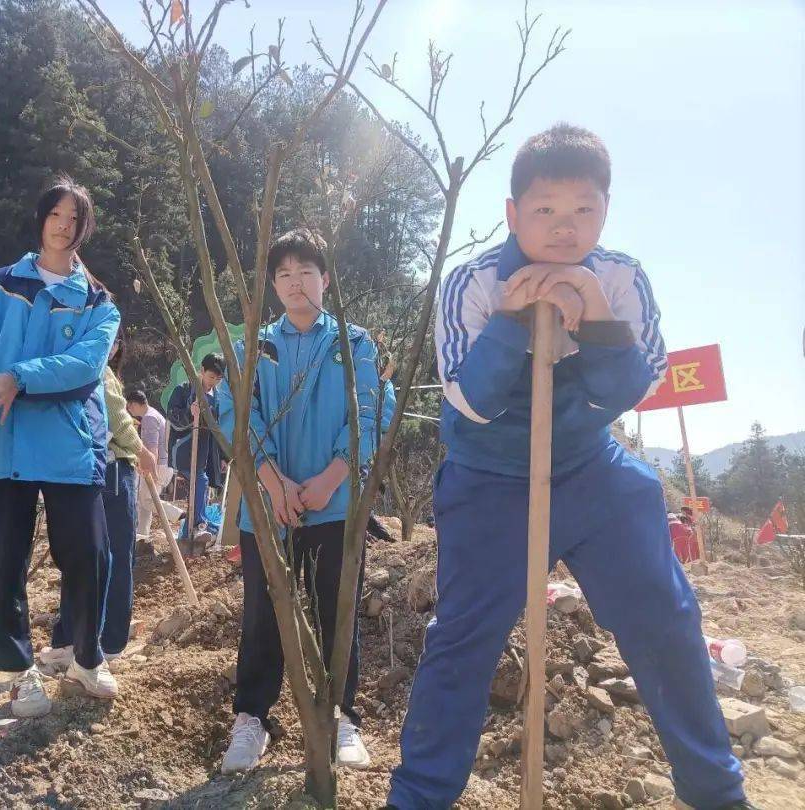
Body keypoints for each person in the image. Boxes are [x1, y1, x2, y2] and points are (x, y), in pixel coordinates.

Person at [387, 124, 751, 809]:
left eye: (584, 208)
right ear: (512, 212)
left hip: (590, 466)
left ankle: (716, 792)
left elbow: (632, 388)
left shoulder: (620, 277)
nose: (564, 227)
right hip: (490, 479)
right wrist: (511, 320)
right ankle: (419, 798)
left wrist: (598, 319)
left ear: (606, 210)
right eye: (545, 209)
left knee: (665, 618)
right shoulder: (472, 283)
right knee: (463, 639)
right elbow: (473, 400)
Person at [217, 228, 394, 774]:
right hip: (267, 509)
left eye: (307, 272)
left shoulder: (354, 344)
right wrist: (274, 484)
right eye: (285, 274)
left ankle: (341, 717)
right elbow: (236, 414)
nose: (296, 283)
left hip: (334, 505)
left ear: (326, 279)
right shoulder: (254, 346)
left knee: (336, 613)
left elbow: (371, 412)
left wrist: (331, 478)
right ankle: (252, 718)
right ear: (273, 285)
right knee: (262, 614)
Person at [0, 177, 120, 718]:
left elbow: (85, 365)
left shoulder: (97, 301)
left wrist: (18, 377)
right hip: (3, 443)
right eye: (56, 215)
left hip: (71, 445)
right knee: (7, 562)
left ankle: (86, 657)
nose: (63, 227)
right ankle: (19, 674)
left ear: (85, 228)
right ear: (41, 218)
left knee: (88, 555)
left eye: (75, 219)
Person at [40, 334, 156, 670]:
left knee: (96, 556)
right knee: (105, 556)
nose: (112, 345)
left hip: (97, 470)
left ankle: (87, 640)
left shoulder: (89, 370)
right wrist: (141, 451)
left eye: (117, 340)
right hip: (105, 471)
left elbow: (116, 418)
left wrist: (137, 450)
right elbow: (118, 419)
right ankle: (93, 640)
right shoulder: (95, 370)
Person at [168, 353, 225, 541]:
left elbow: (219, 430)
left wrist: (223, 456)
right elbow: (172, 415)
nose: (213, 382)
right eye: (211, 377)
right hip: (185, 450)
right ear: (201, 370)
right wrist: (189, 413)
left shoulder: (218, 398)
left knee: (202, 487)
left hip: (206, 453)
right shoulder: (184, 390)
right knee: (201, 482)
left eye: (218, 379)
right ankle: (199, 525)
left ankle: (187, 535)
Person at [126, 389, 172, 540]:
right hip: (163, 464)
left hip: (158, 465)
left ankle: (178, 514)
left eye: (129, 406)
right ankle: (142, 535)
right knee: (143, 501)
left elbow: (153, 449)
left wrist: (151, 471)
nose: (129, 410)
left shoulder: (149, 418)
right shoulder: (154, 414)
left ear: (134, 404)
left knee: (147, 500)